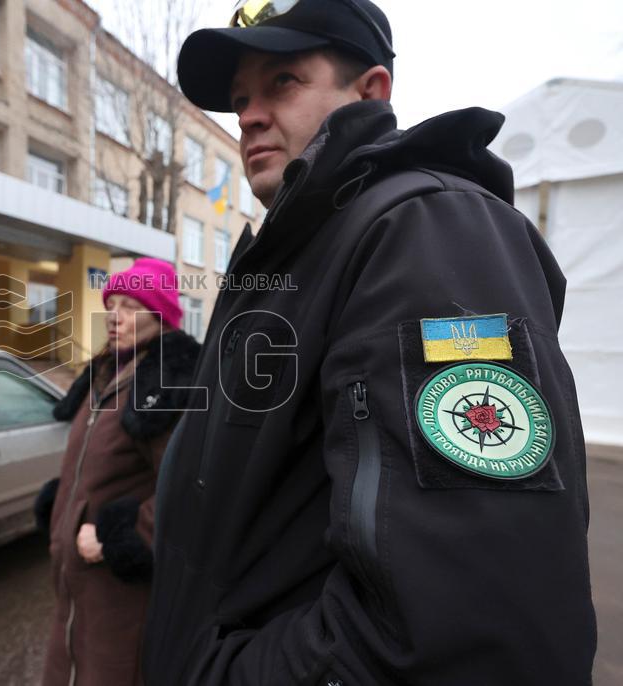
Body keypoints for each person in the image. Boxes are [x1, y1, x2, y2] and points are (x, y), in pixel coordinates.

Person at [142, 1, 597, 684]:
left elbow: (465, 618)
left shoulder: (423, 229)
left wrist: (223, 672)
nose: (250, 115)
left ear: (371, 90)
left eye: (283, 82)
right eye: (240, 99)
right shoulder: (291, 258)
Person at [35, 258, 201, 686]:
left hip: (121, 589)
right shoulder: (108, 371)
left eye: (130, 305)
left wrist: (120, 539)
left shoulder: (167, 382)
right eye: (112, 304)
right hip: (76, 582)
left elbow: (190, 488)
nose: (114, 315)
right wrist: (64, 502)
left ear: (160, 315)